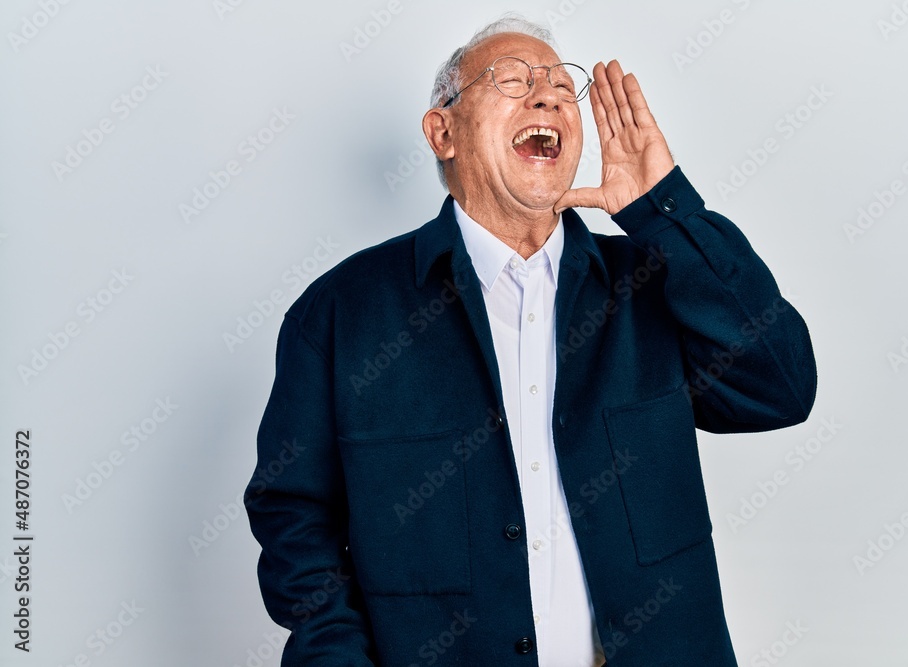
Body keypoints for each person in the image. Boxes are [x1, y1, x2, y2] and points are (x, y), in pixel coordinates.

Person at [244, 14, 817, 667]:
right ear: (443, 131)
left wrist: (664, 210)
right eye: (512, 80)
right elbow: (295, 514)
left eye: (560, 88)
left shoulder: (652, 284)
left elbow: (782, 386)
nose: (547, 96)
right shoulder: (343, 313)